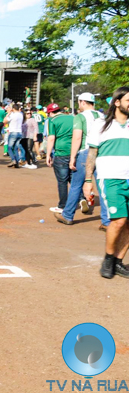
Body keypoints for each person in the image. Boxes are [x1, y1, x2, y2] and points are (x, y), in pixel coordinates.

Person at [84, 87, 129, 278]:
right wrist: (88, 180)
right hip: (110, 178)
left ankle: (119, 261)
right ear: (117, 102)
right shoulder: (101, 124)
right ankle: (109, 258)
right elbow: (92, 153)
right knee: (118, 221)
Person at [58, 93, 106, 227]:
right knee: (102, 187)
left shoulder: (80, 116)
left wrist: (72, 157)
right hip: (101, 153)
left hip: (85, 152)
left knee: (76, 185)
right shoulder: (102, 116)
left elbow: (77, 137)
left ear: (83, 102)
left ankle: (67, 215)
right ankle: (107, 220)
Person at [46, 103, 74, 213]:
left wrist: (48, 154)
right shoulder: (72, 117)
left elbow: (51, 138)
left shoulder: (52, 121)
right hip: (73, 151)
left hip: (61, 152)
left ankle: (62, 205)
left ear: (50, 112)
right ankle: (82, 199)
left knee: (62, 181)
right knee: (74, 179)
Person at [6, 104, 25, 168]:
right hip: (19, 132)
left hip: (13, 132)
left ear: (13, 109)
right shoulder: (21, 114)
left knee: (9, 147)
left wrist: (8, 113)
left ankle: (13, 160)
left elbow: (4, 121)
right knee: (15, 148)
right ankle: (17, 162)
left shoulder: (12, 115)